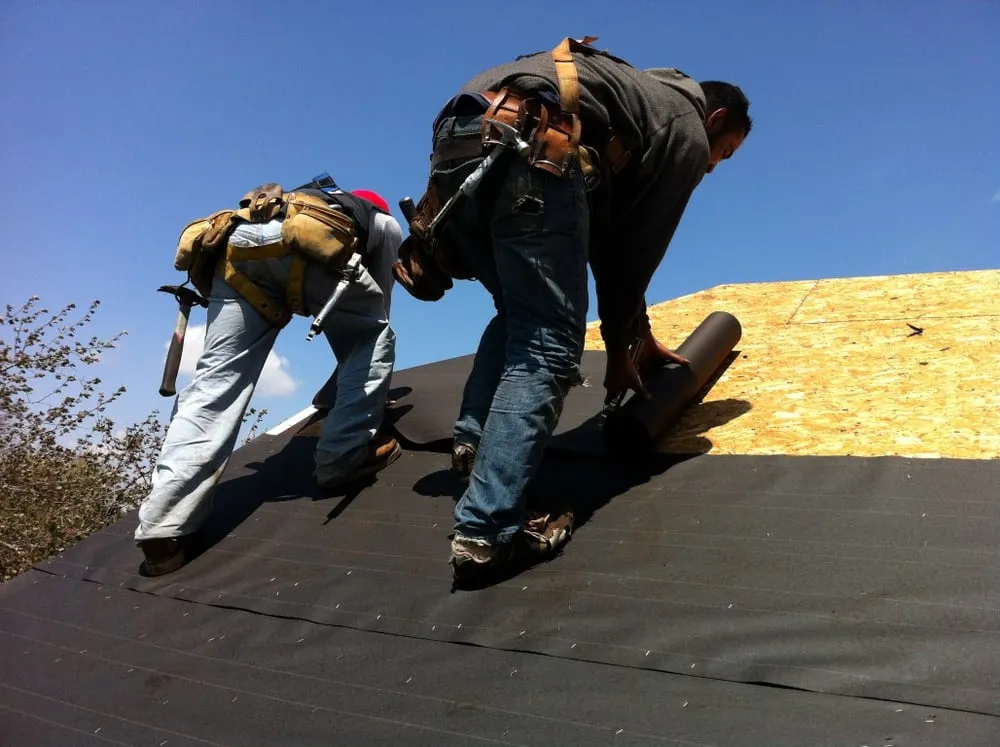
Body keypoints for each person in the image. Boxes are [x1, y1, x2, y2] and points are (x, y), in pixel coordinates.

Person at [392, 37, 752, 585]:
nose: (711, 167)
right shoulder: (682, 121)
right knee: (546, 345)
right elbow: (634, 252)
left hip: (460, 145)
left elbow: (606, 244)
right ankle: (488, 531)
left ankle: (472, 441)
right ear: (715, 117)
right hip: (533, 146)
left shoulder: (628, 94)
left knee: (518, 314)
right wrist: (621, 342)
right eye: (721, 153)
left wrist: (637, 332)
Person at [135, 178, 404, 576]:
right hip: (310, 247)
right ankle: (341, 459)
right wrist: (361, 394)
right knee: (370, 338)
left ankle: (162, 526)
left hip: (238, 250)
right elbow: (375, 305)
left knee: (214, 385)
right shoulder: (380, 221)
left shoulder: (300, 200)